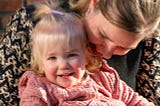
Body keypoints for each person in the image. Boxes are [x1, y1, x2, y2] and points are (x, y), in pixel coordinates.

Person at [0, 0, 160, 105]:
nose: (106, 54)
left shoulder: (105, 77)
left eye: (124, 48)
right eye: (103, 35)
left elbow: (142, 99)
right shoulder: (39, 26)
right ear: (93, 4)